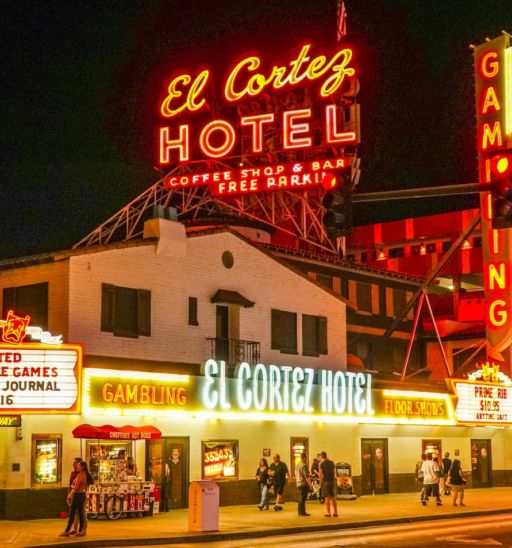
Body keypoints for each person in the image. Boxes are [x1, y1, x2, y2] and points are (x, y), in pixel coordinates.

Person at [60, 461, 94, 537]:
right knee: (81, 513)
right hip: (83, 494)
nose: (77, 467)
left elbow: (76, 487)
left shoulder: (80, 475)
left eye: (79, 466)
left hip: (77, 495)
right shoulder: (86, 475)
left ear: (83, 467)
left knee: (72, 513)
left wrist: (72, 486)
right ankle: (80, 530)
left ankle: (67, 531)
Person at [67, 457, 84, 536]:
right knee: (75, 513)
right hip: (74, 494)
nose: (74, 465)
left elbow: (75, 486)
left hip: (79, 494)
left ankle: (82, 529)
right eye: (74, 463)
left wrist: (72, 489)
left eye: (77, 463)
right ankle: (75, 529)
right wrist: (69, 494)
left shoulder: (81, 474)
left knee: (80, 512)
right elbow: (70, 485)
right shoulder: (73, 473)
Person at [319, 451, 338, 517]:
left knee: (326, 497)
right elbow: (334, 472)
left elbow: (320, 474)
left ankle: (328, 513)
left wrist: (321, 482)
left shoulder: (321, 463)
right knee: (333, 497)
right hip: (332, 481)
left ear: (321, 456)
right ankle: (335, 512)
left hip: (325, 482)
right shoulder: (332, 462)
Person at [295, 452, 312, 516]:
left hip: (298, 483)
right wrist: (310, 485)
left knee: (300, 498)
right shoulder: (304, 465)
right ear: (304, 457)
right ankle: (302, 512)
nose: (307, 459)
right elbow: (306, 477)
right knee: (303, 499)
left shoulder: (298, 465)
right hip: (303, 484)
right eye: (306, 458)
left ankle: (300, 512)